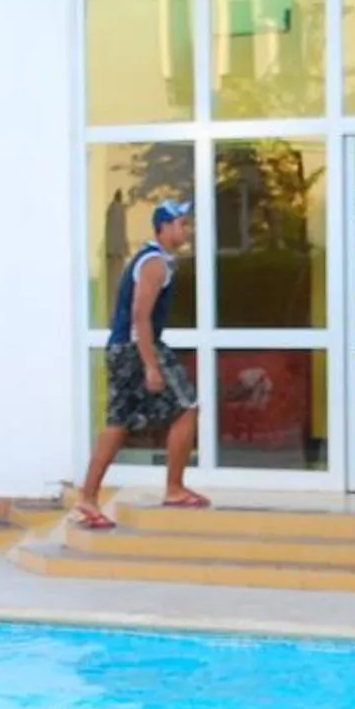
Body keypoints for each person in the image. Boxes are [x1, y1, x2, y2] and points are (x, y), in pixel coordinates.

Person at [73, 199, 205, 529]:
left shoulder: (156, 260)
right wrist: (150, 366)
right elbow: (140, 318)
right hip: (136, 347)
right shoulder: (154, 264)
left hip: (125, 347)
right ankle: (173, 489)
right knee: (187, 406)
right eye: (181, 224)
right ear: (163, 227)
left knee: (119, 423)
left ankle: (87, 498)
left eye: (188, 223)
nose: (186, 229)